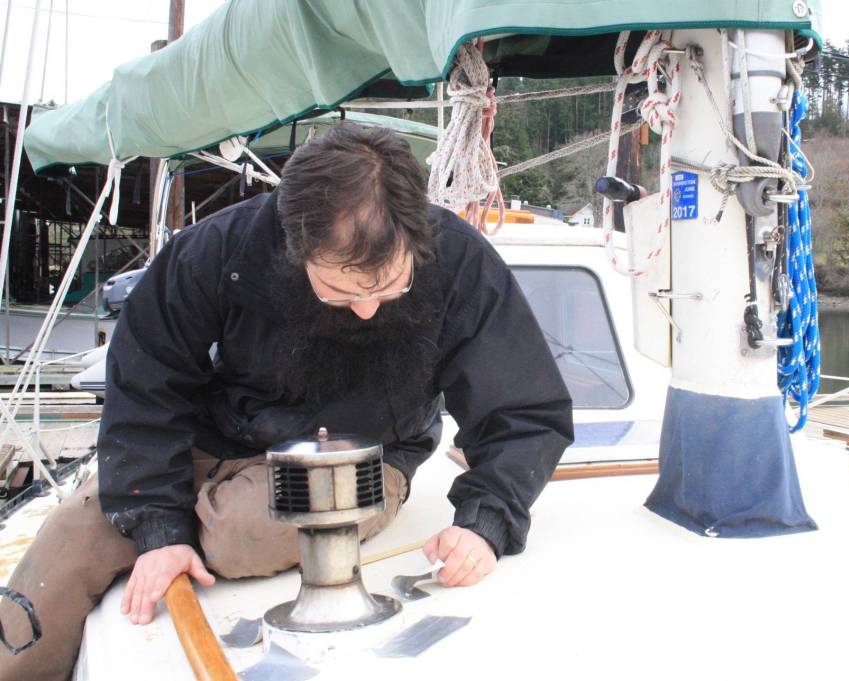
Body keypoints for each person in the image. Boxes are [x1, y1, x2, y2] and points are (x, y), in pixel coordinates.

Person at [0, 122, 573, 681]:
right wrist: (158, 527)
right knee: (67, 544)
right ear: (294, 244)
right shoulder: (214, 251)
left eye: (388, 286)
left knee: (241, 534)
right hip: (216, 438)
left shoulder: (460, 262)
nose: (369, 308)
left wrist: (485, 521)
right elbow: (148, 384)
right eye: (342, 289)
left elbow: (521, 409)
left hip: (366, 454)